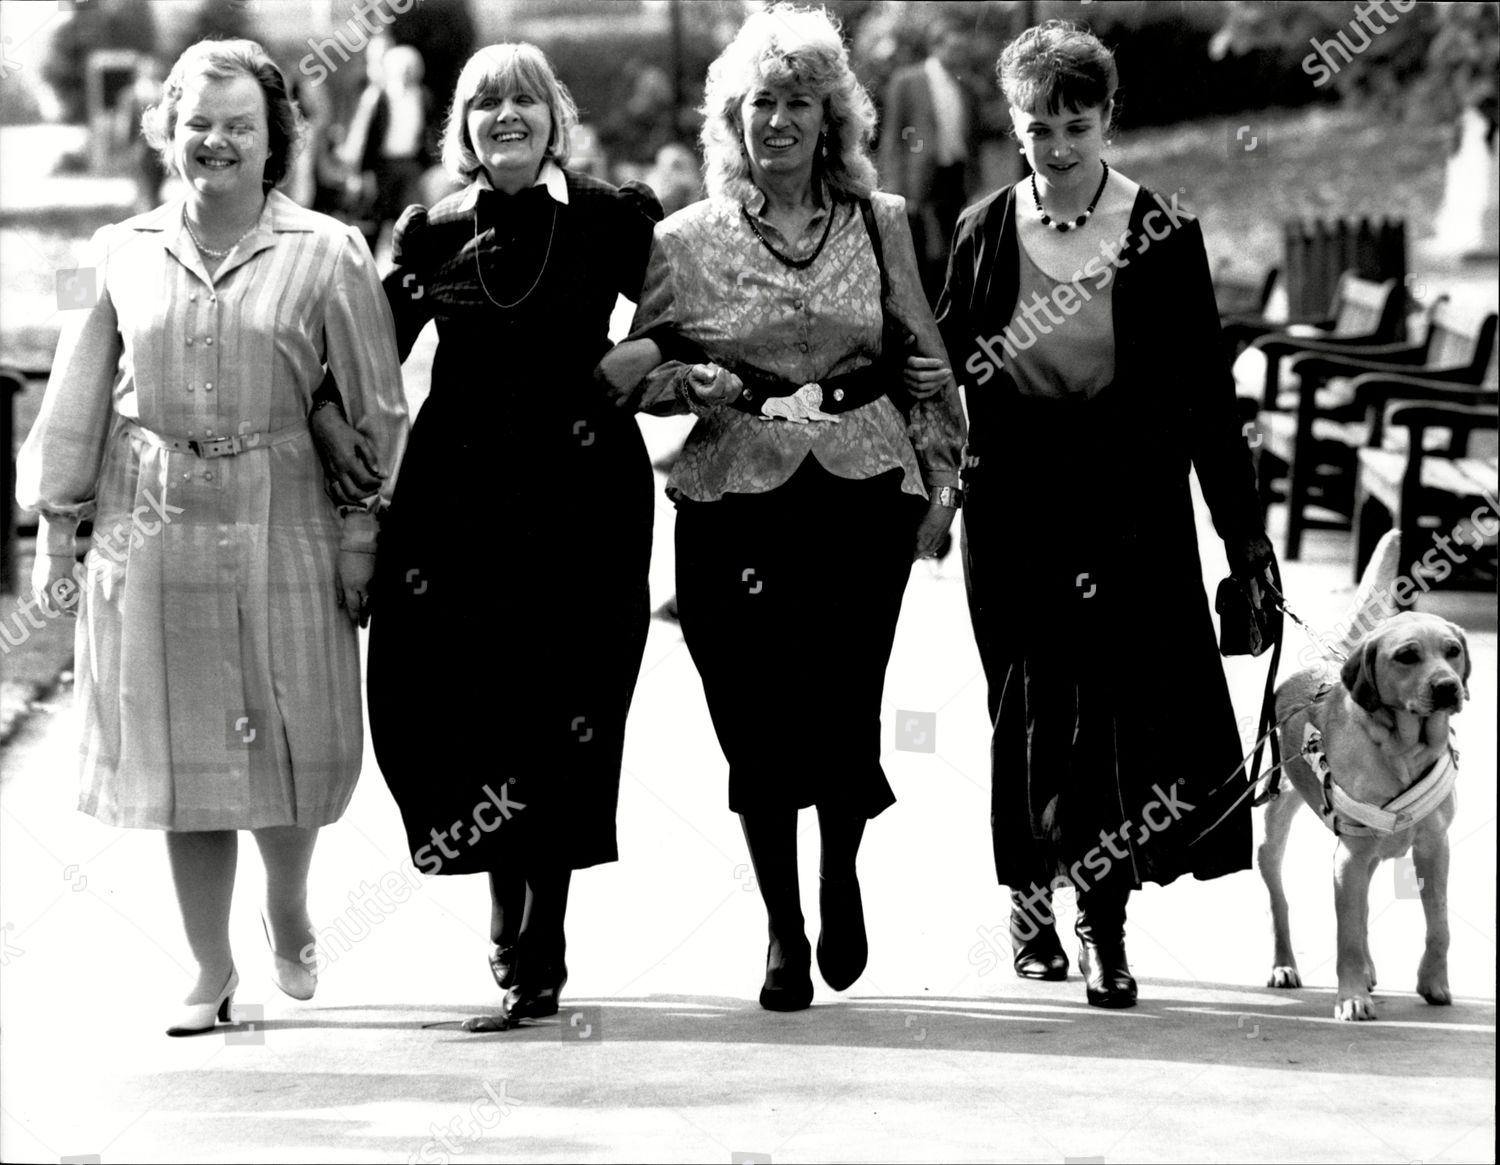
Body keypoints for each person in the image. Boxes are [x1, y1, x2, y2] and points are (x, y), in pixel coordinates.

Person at [16, 38, 408, 1035]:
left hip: (289, 517)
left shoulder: (331, 252)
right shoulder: (109, 251)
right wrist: (58, 531)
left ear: (275, 138)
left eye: (240, 125)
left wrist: (365, 534)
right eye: (199, 123)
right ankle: (205, 967)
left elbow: (380, 411)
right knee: (179, 753)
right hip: (152, 529)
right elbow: (73, 397)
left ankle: (287, 906)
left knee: (289, 733)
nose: (217, 141)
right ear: (166, 131)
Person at [599, 4, 966, 1012]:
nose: (780, 122)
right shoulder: (684, 238)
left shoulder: (879, 221)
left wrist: (944, 484)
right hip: (734, 500)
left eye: (800, 103)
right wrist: (700, 386)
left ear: (830, 118)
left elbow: (923, 363)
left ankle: (839, 868)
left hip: (862, 494)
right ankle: (781, 923)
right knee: (754, 716)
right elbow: (644, 370)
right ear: (732, 119)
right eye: (762, 103)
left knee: (843, 702)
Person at [309, 42, 664, 1030]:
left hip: (583, 495)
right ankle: (513, 928)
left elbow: (691, 312)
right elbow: (361, 345)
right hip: (457, 501)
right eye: (482, 103)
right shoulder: (432, 230)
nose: (504, 115)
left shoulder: (607, 217)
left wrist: (641, 349)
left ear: (555, 114)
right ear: (460, 127)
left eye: (522, 99)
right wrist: (328, 414)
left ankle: (530, 953)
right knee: (445, 703)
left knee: (564, 707)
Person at [934, 21, 1278, 1009]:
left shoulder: (1162, 227)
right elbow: (938, 363)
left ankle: (1106, 922)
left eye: (1074, 124)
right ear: (1012, 122)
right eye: (1034, 126)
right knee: (1031, 708)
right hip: (1014, 504)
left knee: (1121, 713)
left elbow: (1206, 394)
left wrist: (1243, 535)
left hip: (1128, 499)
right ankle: (1031, 899)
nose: (1054, 145)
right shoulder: (982, 229)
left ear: (1107, 119)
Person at [880, 16, 982, 300]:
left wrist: (975, 179)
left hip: (955, 174)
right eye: (953, 47)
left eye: (962, 48)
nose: (959, 54)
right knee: (919, 250)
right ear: (935, 47)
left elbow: (973, 139)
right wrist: (899, 183)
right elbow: (899, 135)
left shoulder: (966, 87)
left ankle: (950, 303)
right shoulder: (909, 81)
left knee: (955, 244)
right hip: (919, 176)